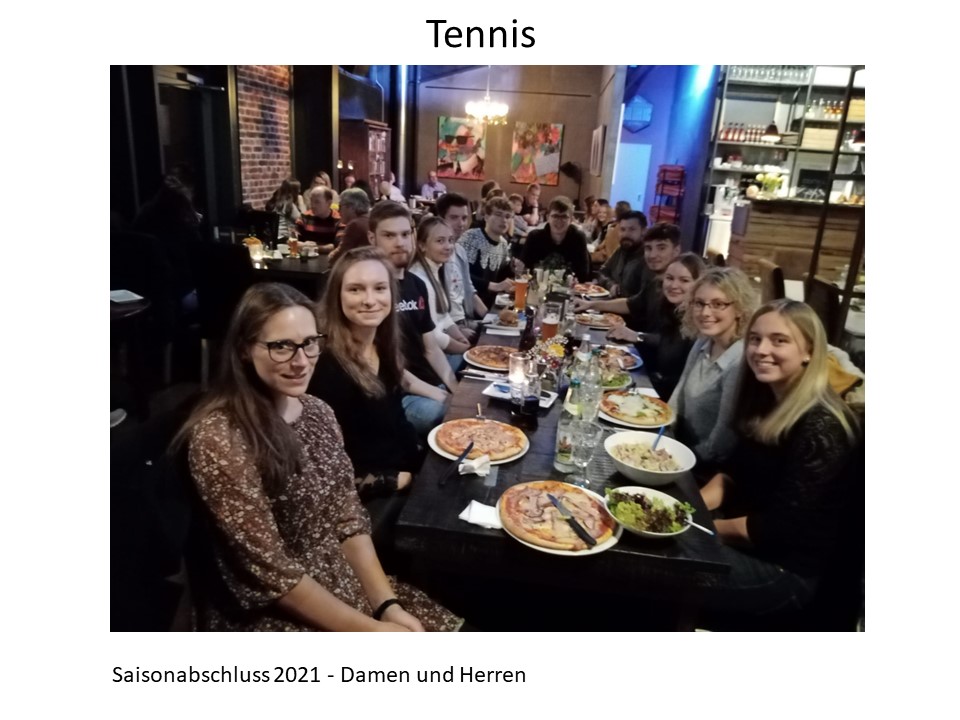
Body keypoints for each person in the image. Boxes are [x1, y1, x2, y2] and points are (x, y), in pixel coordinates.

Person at [177, 282, 461, 631]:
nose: (301, 361)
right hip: (270, 608)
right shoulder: (220, 437)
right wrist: (373, 631)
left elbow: (347, 517)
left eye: (310, 343)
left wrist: (387, 605)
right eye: (281, 346)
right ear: (244, 349)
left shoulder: (318, 411)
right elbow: (271, 572)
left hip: (338, 578)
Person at [698, 300, 860, 617]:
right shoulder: (769, 396)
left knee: (655, 572)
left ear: (809, 351)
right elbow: (732, 473)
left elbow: (776, 529)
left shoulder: (822, 425)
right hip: (747, 541)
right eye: (755, 339)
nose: (761, 350)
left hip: (785, 573)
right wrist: (689, 508)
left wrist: (702, 528)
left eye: (779, 340)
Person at [309, 247, 422, 499]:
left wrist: (421, 459)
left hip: (404, 469)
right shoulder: (325, 366)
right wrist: (397, 480)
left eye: (380, 288)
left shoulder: (383, 344)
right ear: (336, 296)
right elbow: (323, 470)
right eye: (355, 289)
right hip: (367, 494)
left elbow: (397, 420)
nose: (370, 300)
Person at [368, 201, 459, 435]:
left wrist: (456, 390)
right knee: (446, 416)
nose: (399, 242)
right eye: (389, 235)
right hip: (402, 395)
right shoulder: (372, 291)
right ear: (372, 239)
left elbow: (431, 349)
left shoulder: (416, 284)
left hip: (428, 380)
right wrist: (444, 397)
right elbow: (391, 369)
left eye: (405, 234)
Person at [669, 267, 758, 466]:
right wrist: (661, 434)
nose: (705, 312)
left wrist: (675, 462)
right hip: (678, 449)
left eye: (718, 304)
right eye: (699, 303)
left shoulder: (739, 362)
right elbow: (678, 397)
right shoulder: (704, 341)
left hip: (703, 466)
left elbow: (721, 443)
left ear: (739, 309)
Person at [607, 252, 705, 399]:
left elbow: (674, 364)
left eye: (684, 280)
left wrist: (638, 337)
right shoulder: (669, 308)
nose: (674, 285)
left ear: (699, 285)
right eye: (669, 278)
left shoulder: (699, 321)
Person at [574, 220, 679, 332]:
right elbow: (630, 304)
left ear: (676, 251)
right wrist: (590, 304)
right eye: (648, 248)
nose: (653, 255)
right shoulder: (655, 283)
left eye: (661, 248)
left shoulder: (680, 289)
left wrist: (636, 336)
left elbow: (671, 340)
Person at [408, 217, 472, 361]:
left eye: (450, 240)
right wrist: (467, 351)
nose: (448, 246)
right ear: (422, 246)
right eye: (440, 241)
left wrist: (460, 338)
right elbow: (433, 334)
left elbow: (443, 316)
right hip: (427, 358)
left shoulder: (436, 269)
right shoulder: (420, 279)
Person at [437, 192, 486, 331]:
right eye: (454, 218)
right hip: (447, 327)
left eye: (464, 218)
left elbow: (469, 289)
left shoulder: (460, 251)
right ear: (440, 219)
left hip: (465, 319)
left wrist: (490, 318)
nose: (461, 224)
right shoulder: (434, 254)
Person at [458, 195, 518, 308]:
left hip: (491, 303)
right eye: (498, 214)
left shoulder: (503, 244)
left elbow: (502, 276)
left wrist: (514, 270)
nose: (504, 220)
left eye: (508, 216)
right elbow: (458, 274)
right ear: (486, 217)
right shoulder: (471, 237)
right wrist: (492, 285)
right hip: (467, 303)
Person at [520, 196, 590, 282]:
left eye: (564, 216)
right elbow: (524, 270)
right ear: (548, 217)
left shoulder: (578, 238)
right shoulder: (534, 237)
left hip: (568, 288)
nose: (559, 220)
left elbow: (583, 274)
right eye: (555, 216)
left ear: (571, 219)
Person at [597, 210, 649, 296]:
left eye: (632, 229)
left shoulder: (648, 258)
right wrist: (611, 285)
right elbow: (602, 273)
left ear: (644, 231)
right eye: (622, 229)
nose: (626, 234)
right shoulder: (621, 250)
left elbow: (639, 297)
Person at [296, 186, 339, 252]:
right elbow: (292, 240)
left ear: (329, 203)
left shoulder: (338, 220)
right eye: (311, 201)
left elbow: (339, 246)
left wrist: (313, 247)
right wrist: (304, 245)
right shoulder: (305, 217)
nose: (312, 205)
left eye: (317, 202)